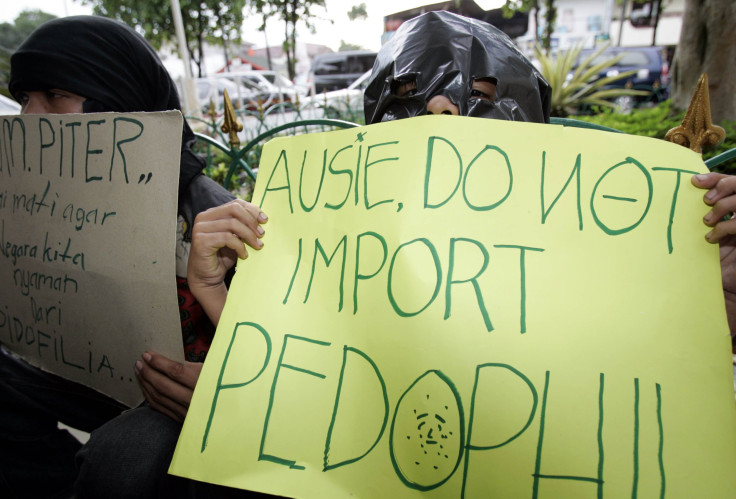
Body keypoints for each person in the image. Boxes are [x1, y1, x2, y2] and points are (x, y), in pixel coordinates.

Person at [1, 15, 267, 498]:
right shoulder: (39, 199)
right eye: (23, 99)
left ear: (118, 101)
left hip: (177, 401)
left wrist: (227, 388)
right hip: (84, 376)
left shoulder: (215, 218)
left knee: (129, 455)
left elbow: (272, 367)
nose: (30, 118)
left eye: (56, 96)